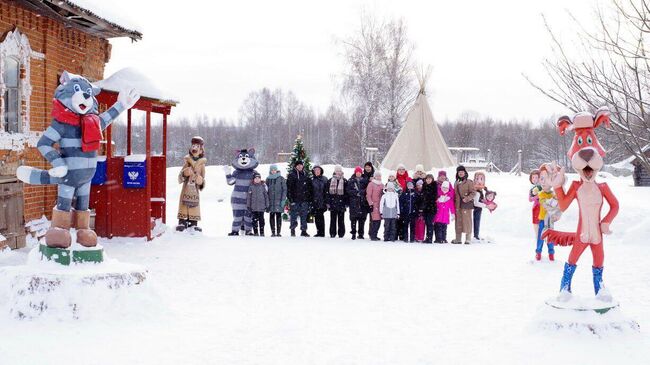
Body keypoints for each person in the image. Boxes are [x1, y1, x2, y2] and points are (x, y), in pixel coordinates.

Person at [176, 136, 207, 232]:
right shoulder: (187, 162)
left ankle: (193, 223)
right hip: (186, 190)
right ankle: (182, 222)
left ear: (201, 150)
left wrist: (199, 179)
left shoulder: (202, 165)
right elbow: (179, 177)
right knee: (184, 206)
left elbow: (203, 181)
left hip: (194, 191)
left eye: (197, 146)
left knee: (194, 207)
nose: (195, 148)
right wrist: (185, 173)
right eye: (193, 146)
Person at [286, 160, 312, 237]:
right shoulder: (292, 175)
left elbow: (309, 187)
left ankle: (304, 230)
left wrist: (309, 198)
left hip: (304, 199)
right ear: (295, 166)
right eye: (298, 165)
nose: (300, 166)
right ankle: (292, 230)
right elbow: (289, 188)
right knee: (293, 215)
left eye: (301, 165)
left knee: (304, 216)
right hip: (295, 200)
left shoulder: (306, 174)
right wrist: (291, 199)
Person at [453, 165, 475, 244]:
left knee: (467, 221)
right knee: (458, 221)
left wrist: (467, 198)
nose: (461, 173)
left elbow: (473, 192)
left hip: (466, 204)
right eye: (459, 172)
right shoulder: (456, 182)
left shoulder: (469, 182)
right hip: (458, 205)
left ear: (465, 172)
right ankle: (458, 239)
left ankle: (468, 239)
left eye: (462, 172)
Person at [347, 166, 369, 240]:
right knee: (353, 219)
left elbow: (367, 190)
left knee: (362, 219)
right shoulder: (351, 181)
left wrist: (362, 192)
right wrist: (356, 192)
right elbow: (348, 191)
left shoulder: (365, 181)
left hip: (363, 203)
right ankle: (353, 233)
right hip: (354, 203)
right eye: (357, 172)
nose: (358, 174)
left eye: (360, 172)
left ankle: (361, 234)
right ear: (355, 173)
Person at [266, 164, 287, 237]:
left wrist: (283, 200)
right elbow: (266, 190)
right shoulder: (268, 179)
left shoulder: (281, 178)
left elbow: (284, 190)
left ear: (276, 170)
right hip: (271, 201)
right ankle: (273, 232)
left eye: (274, 170)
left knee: (278, 216)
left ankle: (278, 232)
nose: (273, 171)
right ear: (270, 171)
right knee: (271, 216)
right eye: (272, 170)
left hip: (279, 201)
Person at [327, 165, 347, 238]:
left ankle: (341, 233)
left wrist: (345, 203)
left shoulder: (344, 181)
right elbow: (327, 193)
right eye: (337, 171)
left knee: (341, 220)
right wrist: (328, 203)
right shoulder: (330, 181)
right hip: (333, 203)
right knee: (333, 219)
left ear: (341, 171)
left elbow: (346, 193)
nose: (338, 172)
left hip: (342, 204)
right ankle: (332, 233)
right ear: (334, 172)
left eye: (339, 171)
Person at [311, 165, 329, 237]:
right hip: (314, 201)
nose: (317, 171)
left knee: (321, 216)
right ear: (313, 171)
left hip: (322, 201)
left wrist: (326, 201)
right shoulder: (311, 179)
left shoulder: (325, 179)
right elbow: (310, 191)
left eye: (318, 170)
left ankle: (322, 232)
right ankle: (318, 231)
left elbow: (327, 191)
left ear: (321, 171)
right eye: (315, 170)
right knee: (316, 217)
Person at [420, 174, 438, 243]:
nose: (428, 180)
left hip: (431, 208)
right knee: (426, 223)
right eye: (427, 179)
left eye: (430, 179)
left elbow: (434, 197)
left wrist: (427, 197)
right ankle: (427, 237)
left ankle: (429, 238)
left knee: (430, 223)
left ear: (432, 179)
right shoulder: (424, 186)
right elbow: (422, 197)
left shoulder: (434, 186)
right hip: (425, 208)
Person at [366, 172, 384, 241]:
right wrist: (371, 204)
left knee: (379, 221)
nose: (378, 177)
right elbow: (368, 195)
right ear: (374, 177)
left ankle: (374, 234)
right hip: (374, 205)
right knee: (375, 221)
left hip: (380, 205)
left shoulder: (382, 185)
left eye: (379, 176)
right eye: (377, 176)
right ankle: (373, 235)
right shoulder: (371, 184)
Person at [472, 171, 488, 242]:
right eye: (477, 179)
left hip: (479, 209)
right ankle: (475, 235)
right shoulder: (476, 192)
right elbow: (476, 203)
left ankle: (476, 234)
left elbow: (480, 200)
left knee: (477, 221)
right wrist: (486, 205)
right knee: (476, 221)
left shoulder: (480, 191)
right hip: (476, 209)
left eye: (481, 179)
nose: (479, 181)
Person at [528, 169, 542, 247]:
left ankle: (544, 237)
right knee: (535, 223)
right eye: (533, 178)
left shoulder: (543, 187)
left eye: (536, 177)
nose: (535, 179)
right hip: (535, 207)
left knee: (543, 223)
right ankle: (537, 238)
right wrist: (537, 196)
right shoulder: (532, 188)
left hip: (543, 207)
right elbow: (530, 199)